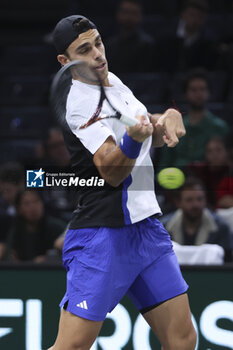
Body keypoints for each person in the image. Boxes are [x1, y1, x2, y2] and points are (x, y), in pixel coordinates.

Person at [48, 15, 196, 350]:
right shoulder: (79, 103)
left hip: (146, 229)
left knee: (183, 340)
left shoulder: (112, 80)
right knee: (71, 346)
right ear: (64, 61)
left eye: (98, 42)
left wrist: (167, 119)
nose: (98, 54)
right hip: (103, 235)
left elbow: (145, 133)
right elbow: (112, 170)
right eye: (84, 49)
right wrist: (132, 140)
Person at [159, 68, 228, 168]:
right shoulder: (174, 127)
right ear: (186, 94)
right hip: (176, 181)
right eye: (194, 90)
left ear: (209, 93)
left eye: (202, 89)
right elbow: (165, 163)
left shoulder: (220, 128)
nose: (198, 94)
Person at [161, 177, 233, 261]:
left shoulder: (221, 228)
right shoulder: (163, 228)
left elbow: (227, 264)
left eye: (199, 199)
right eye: (189, 200)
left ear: (205, 200)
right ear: (178, 203)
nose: (195, 204)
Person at [6, 190, 66, 262]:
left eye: (36, 201)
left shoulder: (57, 227)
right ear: (18, 209)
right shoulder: (16, 231)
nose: (33, 207)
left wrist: (48, 259)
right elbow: (11, 256)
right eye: (27, 203)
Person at [105, 0, 156, 74]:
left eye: (134, 13)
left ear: (140, 16)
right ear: (118, 14)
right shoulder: (109, 45)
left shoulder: (148, 45)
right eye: (125, 12)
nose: (129, 17)